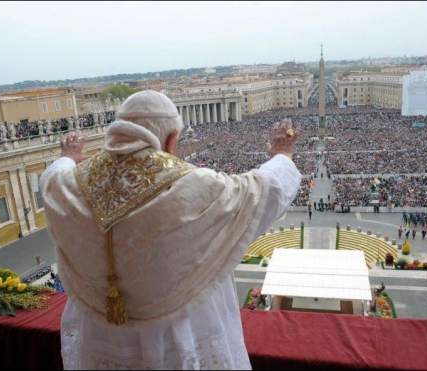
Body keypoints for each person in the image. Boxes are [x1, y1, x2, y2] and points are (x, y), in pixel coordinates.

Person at [40, 91, 302, 370]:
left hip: (103, 337)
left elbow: (51, 177)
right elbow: (265, 190)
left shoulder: (68, 185)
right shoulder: (194, 186)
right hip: (176, 335)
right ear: (170, 139)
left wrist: (68, 157)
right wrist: (283, 155)